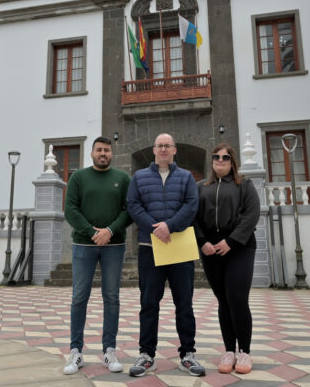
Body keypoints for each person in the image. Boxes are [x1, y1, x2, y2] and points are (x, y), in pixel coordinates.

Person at [126, 133, 205, 377]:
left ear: (174, 150)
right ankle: (147, 354)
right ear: (154, 150)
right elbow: (133, 204)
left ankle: (188, 355)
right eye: (159, 146)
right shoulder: (139, 177)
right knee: (149, 303)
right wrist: (155, 227)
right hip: (150, 249)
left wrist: (168, 226)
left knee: (184, 303)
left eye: (167, 146)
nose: (163, 149)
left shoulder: (186, 177)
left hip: (179, 248)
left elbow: (192, 205)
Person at [62, 137, 131, 375]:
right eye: (99, 150)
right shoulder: (78, 177)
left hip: (115, 245)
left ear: (112, 154)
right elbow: (70, 210)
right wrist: (93, 233)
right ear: (91, 154)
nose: (103, 153)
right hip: (84, 245)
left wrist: (110, 231)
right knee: (79, 296)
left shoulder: (122, 179)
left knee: (111, 297)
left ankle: (109, 350)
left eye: (107, 150)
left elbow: (129, 210)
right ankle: (75, 351)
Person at [194, 143, 260, 374]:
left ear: (232, 162)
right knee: (223, 300)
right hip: (211, 249)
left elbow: (252, 215)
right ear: (212, 161)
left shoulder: (245, 185)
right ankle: (229, 350)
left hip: (239, 247)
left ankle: (245, 353)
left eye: (225, 157)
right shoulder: (201, 187)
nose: (220, 160)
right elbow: (194, 217)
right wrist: (203, 242)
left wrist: (231, 242)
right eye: (216, 157)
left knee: (237, 298)